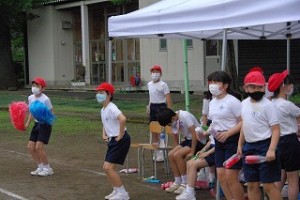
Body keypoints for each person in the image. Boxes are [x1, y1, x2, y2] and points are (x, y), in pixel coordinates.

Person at [237, 70, 282, 200]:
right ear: (245, 88)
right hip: (249, 146)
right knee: (251, 184)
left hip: (265, 145)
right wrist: (240, 144)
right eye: (252, 87)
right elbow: (245, 125)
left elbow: (276, 129)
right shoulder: (244, 104)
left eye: (259, 87)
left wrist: (272, 149)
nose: (256, 89)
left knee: (268, 185)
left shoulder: (268, 106)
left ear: (264, 87)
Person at [207, 71, 244, 200]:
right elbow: (214, 122)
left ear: (225, 85)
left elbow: (243, 122)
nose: (212, 85)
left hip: (232, 140)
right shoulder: (212, 102)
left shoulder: (233, 101)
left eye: (216, 82)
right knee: (221, 177)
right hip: (218, 141)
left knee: (230, 177)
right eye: (211, 82)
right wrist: (210, 131)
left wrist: (228, 133)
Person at [156, 108, 205, 195]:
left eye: (169, 124)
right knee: (171, 154)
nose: (170, 125)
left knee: (178, 155)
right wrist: (176, 147)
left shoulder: (184, 116)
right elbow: (175, 137)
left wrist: (192, 152)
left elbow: (194, 134)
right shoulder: (173, 119)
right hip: (188, 140)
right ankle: (177, 181)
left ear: (172, 118)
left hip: (198, 140)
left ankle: (185, 182)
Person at [268, 70, 300, 200]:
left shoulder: (269, 105)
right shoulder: (287, 105)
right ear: (283, 86)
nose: (291, 86)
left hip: (275, 143)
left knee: (280, 176)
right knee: (293, 180)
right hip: (290, 142)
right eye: (289, 83)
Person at [96, 82, 131, 200]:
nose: (98, 95)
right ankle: (116, 190)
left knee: (109, 167)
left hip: (120, 139)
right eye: (98, 93)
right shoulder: (103, 109)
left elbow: (123, 119)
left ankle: (122, 194)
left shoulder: (112, 107)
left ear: (109, 94)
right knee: (106, 167)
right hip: (112, 139)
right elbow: (104, 124)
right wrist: (104, 134)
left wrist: (120, 135)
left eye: (101, 93)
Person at [25, 77, 54, 176]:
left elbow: (51, 112)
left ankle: (47, 168)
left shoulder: (46, 99)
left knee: (39, 147)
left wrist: (45, 119)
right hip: (36, 124)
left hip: (45, 124)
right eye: (33, 85)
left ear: (43, 88)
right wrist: (28, 123)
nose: (34, 87)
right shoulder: (30, 98)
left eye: (37, 86)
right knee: (30, 147)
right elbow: (32, 112)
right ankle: (40, 167)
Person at [175, 135, 215, 200]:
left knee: (193, 164)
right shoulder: (214, 126)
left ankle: (190, 193)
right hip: (212, 150)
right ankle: (189, 190)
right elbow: (211, 141)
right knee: (189, 163)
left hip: (218, 152)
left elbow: (220, 145)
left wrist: (207, 153)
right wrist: (203, 150)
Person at [147, 65, 172, 161]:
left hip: (161, 107)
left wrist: (169, 112)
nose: (155, 74)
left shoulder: (163, 85)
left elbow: (168, 99)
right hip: (153, 107)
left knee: (162, 129)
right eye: (153, 72)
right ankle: (156, 150)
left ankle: (162, 151)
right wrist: (149, 106)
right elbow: (150, 96)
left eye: (157, 72)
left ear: (160, 74)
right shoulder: (149, 84)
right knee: (153, 130)